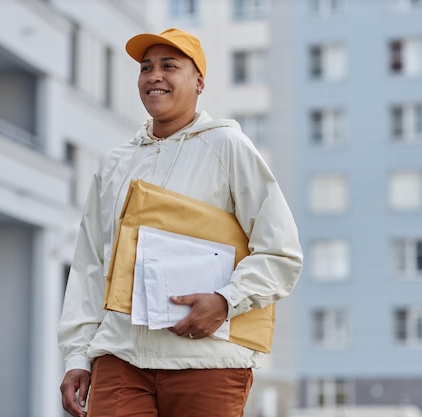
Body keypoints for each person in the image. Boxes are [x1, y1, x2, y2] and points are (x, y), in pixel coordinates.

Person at [57, 28, 303, 417]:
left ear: (199, 81)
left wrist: (225, 301)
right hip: (120, 359)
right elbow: (89, 265)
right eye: (146, 67)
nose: (154, 75)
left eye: (169, 66)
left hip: (207, 361)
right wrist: (76, 355)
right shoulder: (115, 164)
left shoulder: (228, 147)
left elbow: (281, 252)